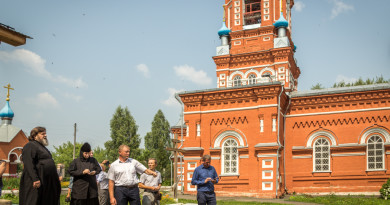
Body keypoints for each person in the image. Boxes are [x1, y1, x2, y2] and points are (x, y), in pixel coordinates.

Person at [19, 126, 61, 205]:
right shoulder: (30, 145)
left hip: (46, 181)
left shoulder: (43, 147)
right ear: (35, 136)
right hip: (37, 180)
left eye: (45, 133)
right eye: (42, 134)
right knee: (34, 201)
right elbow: (28, 163)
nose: (45, 135)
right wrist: (35, 179)